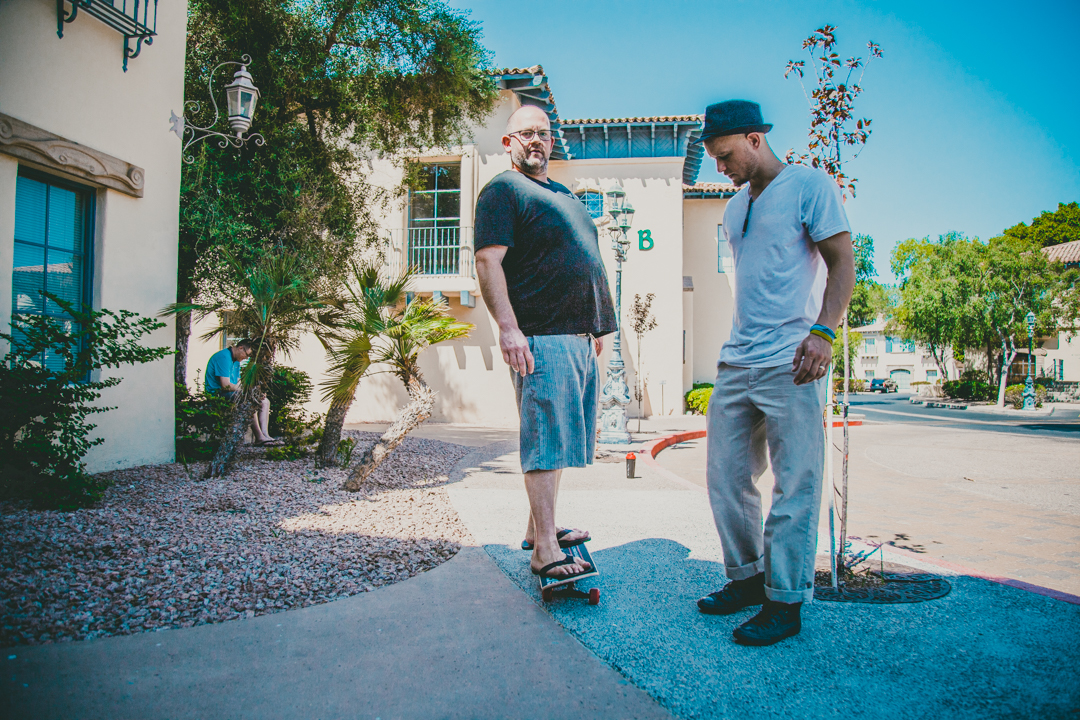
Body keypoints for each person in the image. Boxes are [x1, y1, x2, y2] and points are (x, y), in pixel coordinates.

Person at [692, 100, 856, 646]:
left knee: (796, 482)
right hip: (738, 360)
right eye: (714, 159)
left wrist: (824, 332)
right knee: (726, 476)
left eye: (725, 154)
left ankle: (785, 603)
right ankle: (748, 579)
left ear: (755, 137)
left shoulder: (809, 186)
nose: (720, 166)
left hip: (794, 358)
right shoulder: (734, 209)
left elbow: (841, 261)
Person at [474, 104, 617, 581]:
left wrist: (594, 324)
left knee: (557, 442)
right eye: (526, 133)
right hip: (540, 334)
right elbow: (488, 261)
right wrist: (509, 327)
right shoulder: (503, 190)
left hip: (576, 335)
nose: (536, 139)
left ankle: (542, 530)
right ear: (508, 143)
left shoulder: (562, 194)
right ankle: (545, 551)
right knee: (544, 440)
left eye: (544, 133)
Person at [205, 340, 281, 446]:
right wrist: (248, 393)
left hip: (232, 393)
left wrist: (255, 392)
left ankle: (265, 435)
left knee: (264, 401)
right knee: (250, 400)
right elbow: (226, 385)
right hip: (218, 394)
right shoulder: (223, 357)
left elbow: (239, 383)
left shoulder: (235, 361)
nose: (246, 358)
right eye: (247, 354)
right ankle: (259, 437)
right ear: (240, 348)